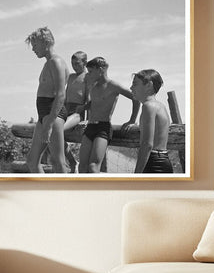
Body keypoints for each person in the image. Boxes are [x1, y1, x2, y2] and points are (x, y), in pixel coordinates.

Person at [78, 57, 140, 173]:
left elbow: (135, 98)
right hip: (90, 127)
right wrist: (85, 107)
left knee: (93, 166)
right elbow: (96, 102)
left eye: (91, 71)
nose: (88, 74)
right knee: (82, 166)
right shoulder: (93, 86)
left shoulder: (113, 85)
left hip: (103, 128)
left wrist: (132, 120)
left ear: (100, 70)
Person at [25, 27, 70, 173]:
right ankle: (45, 192)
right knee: (32, 161)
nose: (33, 49)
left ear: (45, 42)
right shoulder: (49, 62)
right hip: (44, 114)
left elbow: (61, 94)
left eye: (35, 45)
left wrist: (49, 124)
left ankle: (67, 195)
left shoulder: (56, 62)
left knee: (58, 161)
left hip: (53, 114)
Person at [130, 69, 173, 173]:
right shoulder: (160, 106)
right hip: (163, 160)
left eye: (135, 84)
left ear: (148, 85)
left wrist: (137, 173)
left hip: (153, 163)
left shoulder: (148, 106)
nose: (131, 88)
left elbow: (147, 144)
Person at [63, 51, 91, 172]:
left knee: (57, 131)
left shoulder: (88, 77)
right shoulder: (70, 77)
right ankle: (72, 162)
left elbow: (89, 100)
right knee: (49, 132)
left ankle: (73, 163)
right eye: (72, 63)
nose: (74, 66)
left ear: (85, 63)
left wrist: (88, 120)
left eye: (77, 63)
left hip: (77, 113)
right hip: (65, 110)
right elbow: (65, 96)